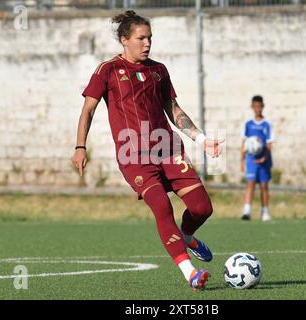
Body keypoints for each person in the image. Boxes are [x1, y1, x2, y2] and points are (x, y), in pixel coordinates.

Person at [71, 10, 224, 290]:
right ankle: (190, 273)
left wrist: (202, 140)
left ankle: (187, 235)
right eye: (141, 38)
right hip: (135, 157)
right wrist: (80, 146)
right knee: (162, 207)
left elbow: (174, 111)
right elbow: (88, 110)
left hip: (167, 149)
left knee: (203, 208)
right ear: (124, 39)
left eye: (150, 38)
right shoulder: (107, 71)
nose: (147, 43)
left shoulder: (158, 70)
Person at [241, 95, 274, 222]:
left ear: (262, 107)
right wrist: (242, 160)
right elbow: (243, 143)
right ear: (252, 107)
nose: (257, 109)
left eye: (259, 106)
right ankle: (247, 211)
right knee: (250, 184)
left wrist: (265, 157)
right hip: (251, 159)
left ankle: (264, 211)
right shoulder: (248, 124)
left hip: (264, 159)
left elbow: (270, 143)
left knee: (264, 186)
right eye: (255, 106)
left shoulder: (267, 124)